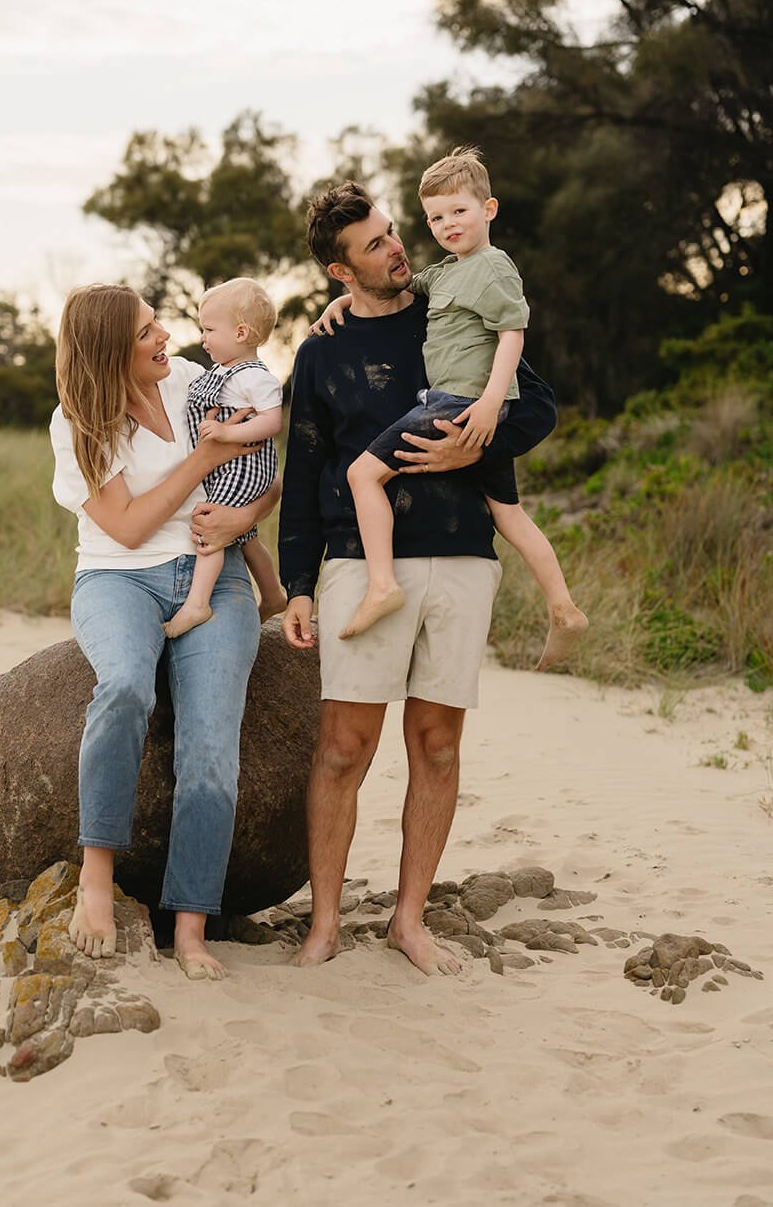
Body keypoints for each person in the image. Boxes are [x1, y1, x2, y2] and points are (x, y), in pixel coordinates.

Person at [278, 182, 557, 973]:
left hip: (464, 552)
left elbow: (536, 408)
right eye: (375, 244)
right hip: (360, 564)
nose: (398, 248)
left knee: (436, 746)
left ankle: (409, 920)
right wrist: (297, 584)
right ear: (341, 272)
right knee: (341, 748)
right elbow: (302, 475)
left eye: (394, 231)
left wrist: (475, 445)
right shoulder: (322, 351)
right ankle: (325, 926)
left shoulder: (453, 310)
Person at [50, 283, 278, 980]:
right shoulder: (78, 423)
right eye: (148, 331)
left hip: (216, 572)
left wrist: (244, 519)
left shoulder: (194, 382)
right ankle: (97, 877)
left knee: (211, 744)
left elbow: (262, 472)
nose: (166, 339)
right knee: (122, 687)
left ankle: (190, 925)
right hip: (118, 580)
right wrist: (203, 462)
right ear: (110, 349)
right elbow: (127, 525)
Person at [317, 147, 587, 670]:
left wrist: (487, 406)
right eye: (435, 217)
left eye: (459, 211)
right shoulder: (444, 275)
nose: (446, 224)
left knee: (362, 475)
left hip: (459, 403)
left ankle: (380, 585)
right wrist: (341, 300)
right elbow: (392, 288)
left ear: (489, 209)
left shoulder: (493, 268)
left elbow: (513, 334)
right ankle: (563, 607)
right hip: (467, 405)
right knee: (509, 513)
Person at [164, 277, 287, 639]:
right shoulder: (221, 370)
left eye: (208, 329)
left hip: (245, 464)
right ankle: (273, 593)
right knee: (247, 535)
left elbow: (271, 421)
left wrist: (226, 434)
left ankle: (198, 604)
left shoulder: (255, 376)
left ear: (240, 332)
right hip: (228, 464)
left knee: (211, 526)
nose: (203, 337)